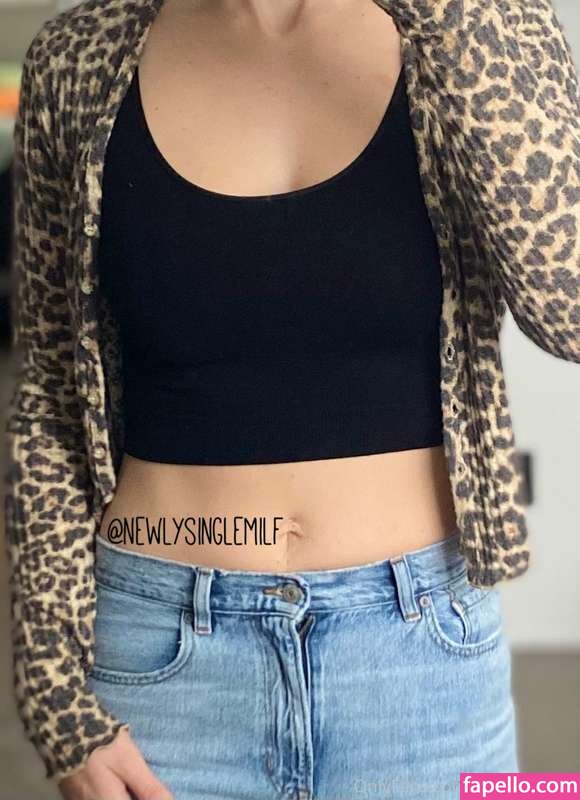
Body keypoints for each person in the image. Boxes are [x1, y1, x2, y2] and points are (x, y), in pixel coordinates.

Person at [4, 0, 579, 799]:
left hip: (423, 670)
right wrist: (55, 697)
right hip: (165, 669)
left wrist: (449, 16)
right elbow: (49, 396)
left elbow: (569, 309)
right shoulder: (78, 59)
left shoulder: (490, 23)